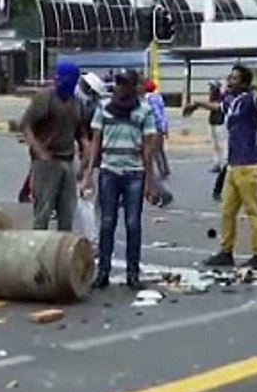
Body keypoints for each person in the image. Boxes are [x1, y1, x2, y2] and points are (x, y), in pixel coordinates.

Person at [80, 69, 158, 289]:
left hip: (134, 173)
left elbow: (148, 148)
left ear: (132, 87)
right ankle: (103, 271)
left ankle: (132, 273)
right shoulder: (104, 108)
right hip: (109, 171)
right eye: (118, 83)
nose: (120, 87)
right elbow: (96, 142)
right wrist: (88, 174)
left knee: (133, 224)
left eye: (124, 84)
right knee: (107, 223)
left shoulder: (144, 111)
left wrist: (150, 182)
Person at [187, 64, 257, 271]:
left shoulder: (248, 99)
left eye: (234, 79)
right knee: (227, 210)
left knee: (253, 211)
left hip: (249, 163)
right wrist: (197, 103)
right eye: (229, 78)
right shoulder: (231, 100)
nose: (229, 81)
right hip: (234, 164)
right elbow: (219, 107)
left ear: (243, 83)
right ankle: (226, 252)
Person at [21, 61, 87, 231]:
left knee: (67, 211)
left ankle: (61, 251)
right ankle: (38, 248)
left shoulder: (76, 102)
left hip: (67, 159)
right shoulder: (45, 98)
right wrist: (39, 150)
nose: (61, 82)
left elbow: (80, 133)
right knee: (43, 209)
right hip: (47, 160)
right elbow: (26, 125)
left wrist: (85, 155)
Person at [207, 81, 226, 173]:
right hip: (212, 122)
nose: (210, 89)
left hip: (220, 123)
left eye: (212, 87)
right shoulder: (212, 97)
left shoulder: (221, 97)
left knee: (222, 145)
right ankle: (217, 163)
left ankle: (224, 164)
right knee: (215, 145)